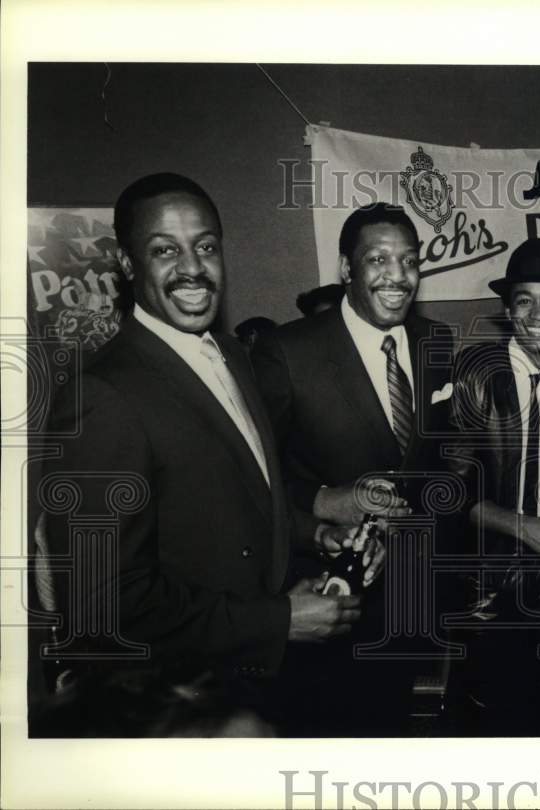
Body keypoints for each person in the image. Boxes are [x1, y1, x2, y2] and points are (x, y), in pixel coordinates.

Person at [39, 173, 366, 735]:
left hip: (254, 691)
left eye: (206, 246)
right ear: (125, 262)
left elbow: (234, 500)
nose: (192, 268)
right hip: (180, 714)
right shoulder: (101, 395)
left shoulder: (233, 355)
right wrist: (277, 621)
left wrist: (312, 534)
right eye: (165, 250)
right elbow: (101, 607)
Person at [252, 202, 454, 734]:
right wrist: (324, 502)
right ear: (346, 269)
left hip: (411, 596)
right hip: (328, 602)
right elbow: (254, 478)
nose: (398, 276)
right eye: (378, 259)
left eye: (409, 261)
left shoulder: (437, 344)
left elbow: (444, 459)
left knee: (393, 737)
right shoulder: (287, 353)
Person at [446, 238, 540, 734]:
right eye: (524, 300)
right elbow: (451, 495)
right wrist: (527, 528)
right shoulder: (474, 373)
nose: (539, 313)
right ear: (508, 311)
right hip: (485, 577)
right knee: (483, 710)